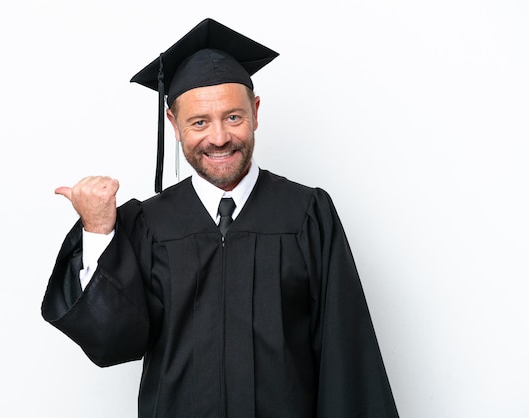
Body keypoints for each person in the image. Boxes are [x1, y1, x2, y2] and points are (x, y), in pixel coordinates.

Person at [42, 18, 399, 418]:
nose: (218, 138)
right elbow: (112, 342)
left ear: (256, 112)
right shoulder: (147, 223)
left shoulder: (306, 213)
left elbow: (346, 356)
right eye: (199, 122)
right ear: (174, 125)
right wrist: (98, 231)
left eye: (233, 117)